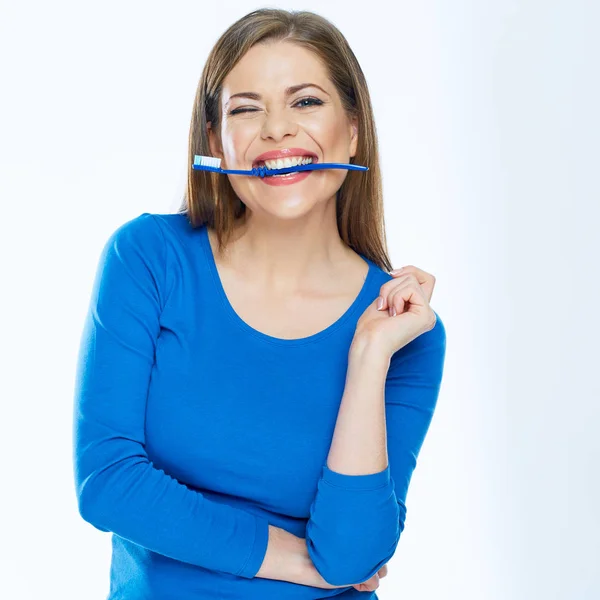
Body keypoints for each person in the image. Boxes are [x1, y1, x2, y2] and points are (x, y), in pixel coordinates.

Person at [72, 8, 447, 600]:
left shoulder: (403, 330)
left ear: (352, 130)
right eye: (246, 108)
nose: (275, 130)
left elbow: (354, 553)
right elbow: (108, 483)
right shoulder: (147, 258)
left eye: (304, 102)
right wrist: (298, 562)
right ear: (216, 141)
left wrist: (368, 356)